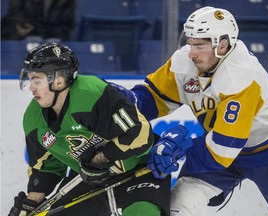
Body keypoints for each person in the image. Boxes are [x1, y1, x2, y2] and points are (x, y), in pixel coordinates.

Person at [110, 6, 268, 216]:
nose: (192, 52)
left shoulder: (242, 77)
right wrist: (122, 103)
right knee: (178, 206)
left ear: (222, 45)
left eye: (200, 45)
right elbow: (153, 98)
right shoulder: (187, 60)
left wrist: (177, 148)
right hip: (222, 147)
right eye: (190, 42)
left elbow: (222, 149)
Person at [8, 42, 171, 216]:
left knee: (141, 213)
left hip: (139, 169)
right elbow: (45, 166)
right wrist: (30, 204)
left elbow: (139, 134)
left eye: (36, 80)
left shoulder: (91, 93)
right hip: (89, 179)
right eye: (30, 79)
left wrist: (100, 160)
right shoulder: (33, 118)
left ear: (59, 79)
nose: (31, 88)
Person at [1, 0, 76, 41]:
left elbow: (66, 28)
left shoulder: (67, 2)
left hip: (52, 40)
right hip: (21, 38)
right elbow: (15, 15)